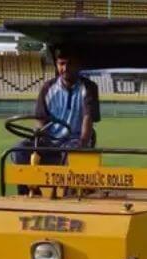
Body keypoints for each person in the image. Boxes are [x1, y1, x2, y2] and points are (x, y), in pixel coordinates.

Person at [12, 46, 101, 175]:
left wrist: (82, 143)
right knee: (19, 150)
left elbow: (88, 119)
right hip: (50, 140)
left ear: (78, 65)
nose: (65, 68)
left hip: (74, 139)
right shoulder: (48, 88)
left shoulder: (88, 88)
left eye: (70, 64)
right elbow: (40, 118)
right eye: (61, 64)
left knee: (72, 153)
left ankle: (66, 193)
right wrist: (40, 136)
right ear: (56, 64)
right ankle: (27, 191)